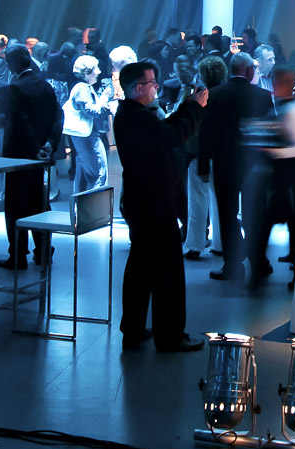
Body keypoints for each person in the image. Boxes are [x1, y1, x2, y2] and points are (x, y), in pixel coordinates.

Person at [114, 59, 209, 353]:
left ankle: (133, 329)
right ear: (139, 87)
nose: (157, 87)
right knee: (166, 270)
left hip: (143, 202)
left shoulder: (134, 115)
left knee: (141, 267)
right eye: (153, 82)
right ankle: (169, 336)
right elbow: (171, 137)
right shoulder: (136, 118)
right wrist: (194, 108)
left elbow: (164, 131)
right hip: (153, 204)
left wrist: (186, 108)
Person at [200, 53, 272, 280]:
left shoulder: (217, 95)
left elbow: (206, 133)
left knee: (227, 214)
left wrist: (203, 164)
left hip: (225, 163)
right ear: (249, 70)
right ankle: (258, 262)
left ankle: (232, 265)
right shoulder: (262, 96)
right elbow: (270, 132)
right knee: (255, 213)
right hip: (254, 165)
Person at [249, 66, 295, 279]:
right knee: (269, 223)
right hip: (277, 176)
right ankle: (259, 269)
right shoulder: (281, 107)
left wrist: (273, 151)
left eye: (279, 82)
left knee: (293, 226)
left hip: (291, 176)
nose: (275, 86)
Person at [0, 45, 62, 269]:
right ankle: (43, 250)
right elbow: (57, 115)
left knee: (16, 205)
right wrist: (49, 144)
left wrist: (35, 147)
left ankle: (17, 254)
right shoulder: (46, 85)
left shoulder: (14, 87)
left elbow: (20, 124)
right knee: (40, 204)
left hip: (19, 157)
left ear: (13, 64)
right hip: (41, 157)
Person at [182, 54, 227, 260]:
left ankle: (194, 245)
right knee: (220, 200)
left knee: (197, 200)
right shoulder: (226, 96)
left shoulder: (198, 96)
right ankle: (220, 243)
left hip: (197, 154)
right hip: (220, 155)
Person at [62, 54, 113, 194]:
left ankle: (82, 211)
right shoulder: (83, 88)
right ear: (87, 71)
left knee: (85, 174)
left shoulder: (81, 87)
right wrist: (105, 100)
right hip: (88, 138)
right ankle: (94, 211)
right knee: (98, 174)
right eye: (96, 68)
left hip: (85, 138)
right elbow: (92, 111)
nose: (99, 72)